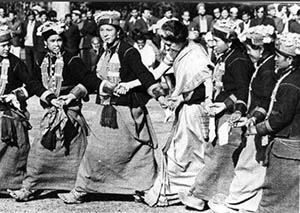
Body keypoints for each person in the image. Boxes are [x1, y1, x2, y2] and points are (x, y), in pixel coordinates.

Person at [57, 10, 166, 204]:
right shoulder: (103, 52)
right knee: (94, 152)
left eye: (109, 29)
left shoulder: (128, 51)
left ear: (118, 31)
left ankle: (142, 189)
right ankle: (81, 190)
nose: (105, 33)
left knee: (139, 152)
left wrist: (159, 96)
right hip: (106, 111)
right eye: (102, 30)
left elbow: (144, 75)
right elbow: (93, 80)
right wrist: (72, 96)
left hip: (126, 112)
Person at [7, 21, 115, 201]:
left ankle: (79, 189)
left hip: (70, 112)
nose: (57, 44)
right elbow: (34, 83)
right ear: (45, 43)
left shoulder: (72, 59)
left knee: (75, 153)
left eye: (59, 40)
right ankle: (29, 188)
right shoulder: (41, 60)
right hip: (51, 112)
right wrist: (46, 97)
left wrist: (71, 96)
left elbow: (87, 80)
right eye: (52, 41)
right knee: (39, 151)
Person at [134, 20, 214, 207]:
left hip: (196, 109)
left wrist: (182, 97)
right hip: (183, 107)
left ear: (181, 39)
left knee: (187, 151)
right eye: (165, 42)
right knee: (180, 151)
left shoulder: (196, 55)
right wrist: (132, 84)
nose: (167, 46)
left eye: (171, 42)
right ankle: (172, 192)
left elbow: (207, 87)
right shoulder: (175, 51)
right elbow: (156, 72)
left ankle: (186, 193)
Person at [179, 19, 254, 211]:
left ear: (229, 42)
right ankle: (208, 193)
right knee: (214, 153)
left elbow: (243, 90)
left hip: (231, 116)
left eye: (217, 41)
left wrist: (226, 105)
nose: (213, 44)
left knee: (221, 155)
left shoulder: (238, 60)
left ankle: (200, 195)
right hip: (219, 113)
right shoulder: (223, 57)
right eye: (212, 40)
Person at [208, 25, 277, 213]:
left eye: (249, 50)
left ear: (260, 49)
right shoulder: (262, 65)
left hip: (259, 123)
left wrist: (252, 118)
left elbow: (262, 99)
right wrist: (239, 111)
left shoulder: (267, 69)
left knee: (249, 165)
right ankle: (243, 202)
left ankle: (240, 203)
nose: (247, 54)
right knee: (248, 164)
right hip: (252, 118)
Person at [0, 26, 60, 192]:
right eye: (2, 45)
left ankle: (11, 184)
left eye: (7, 44)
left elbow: (32, 84)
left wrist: (17, 95)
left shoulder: (15, 63)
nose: (6, 48)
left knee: (15, 151)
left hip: (9, 114)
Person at [247, 32, 300, 213]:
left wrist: (257, 129)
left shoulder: (290, 84)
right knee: (290, 193)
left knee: (275, 193)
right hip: (292, 143)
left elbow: (281, 118)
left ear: (290, 60)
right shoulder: (289, 77)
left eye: (278, 56)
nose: (275, 59)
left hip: (288, 146)